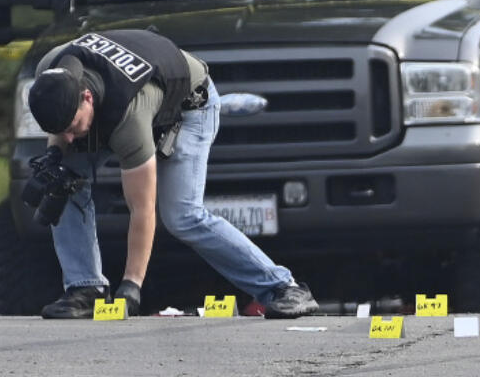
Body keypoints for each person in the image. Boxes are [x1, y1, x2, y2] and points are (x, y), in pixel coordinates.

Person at [26, 28, 319, 320]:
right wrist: (55, 157)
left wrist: (131, 286)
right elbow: (63, 131)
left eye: (72, 126)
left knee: (182, 215)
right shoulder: (49, 75)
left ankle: (283, 287)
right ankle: (84, 289)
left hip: (190, 106)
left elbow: (142, 209)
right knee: (62, 181)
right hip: (131, 96)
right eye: (57, 131)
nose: (67, 137)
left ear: (86, 97)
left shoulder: (128, 116)